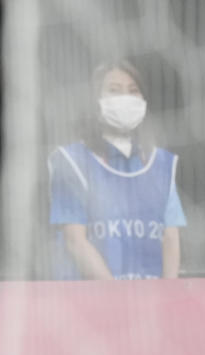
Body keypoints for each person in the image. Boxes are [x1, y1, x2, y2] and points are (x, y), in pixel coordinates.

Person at [48, 59, 186, 280]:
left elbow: (171, 237)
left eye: (133, 91)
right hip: (91, 302)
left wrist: (167, 295)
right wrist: (116, 297)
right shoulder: (71, 161)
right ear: (95, 101)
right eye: (114, 91)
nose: (125, 99)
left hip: (149, 302)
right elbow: (75, 241)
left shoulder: (161, 164)